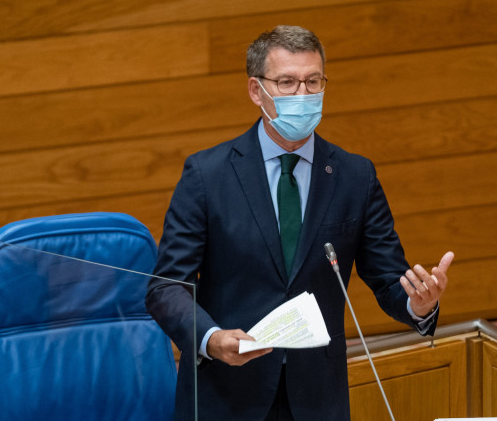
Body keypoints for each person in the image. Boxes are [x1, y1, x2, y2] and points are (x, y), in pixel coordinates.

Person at [146, 25, 454, 421]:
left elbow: (387, 277)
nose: (303, 95)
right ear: (257, 91)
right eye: (287, 83)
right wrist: (211, 338)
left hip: (317, 397)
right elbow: (167, 286)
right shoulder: (208, 175)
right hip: (227, 393)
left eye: (313, 82)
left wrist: (419, 303)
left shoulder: (355, 176)